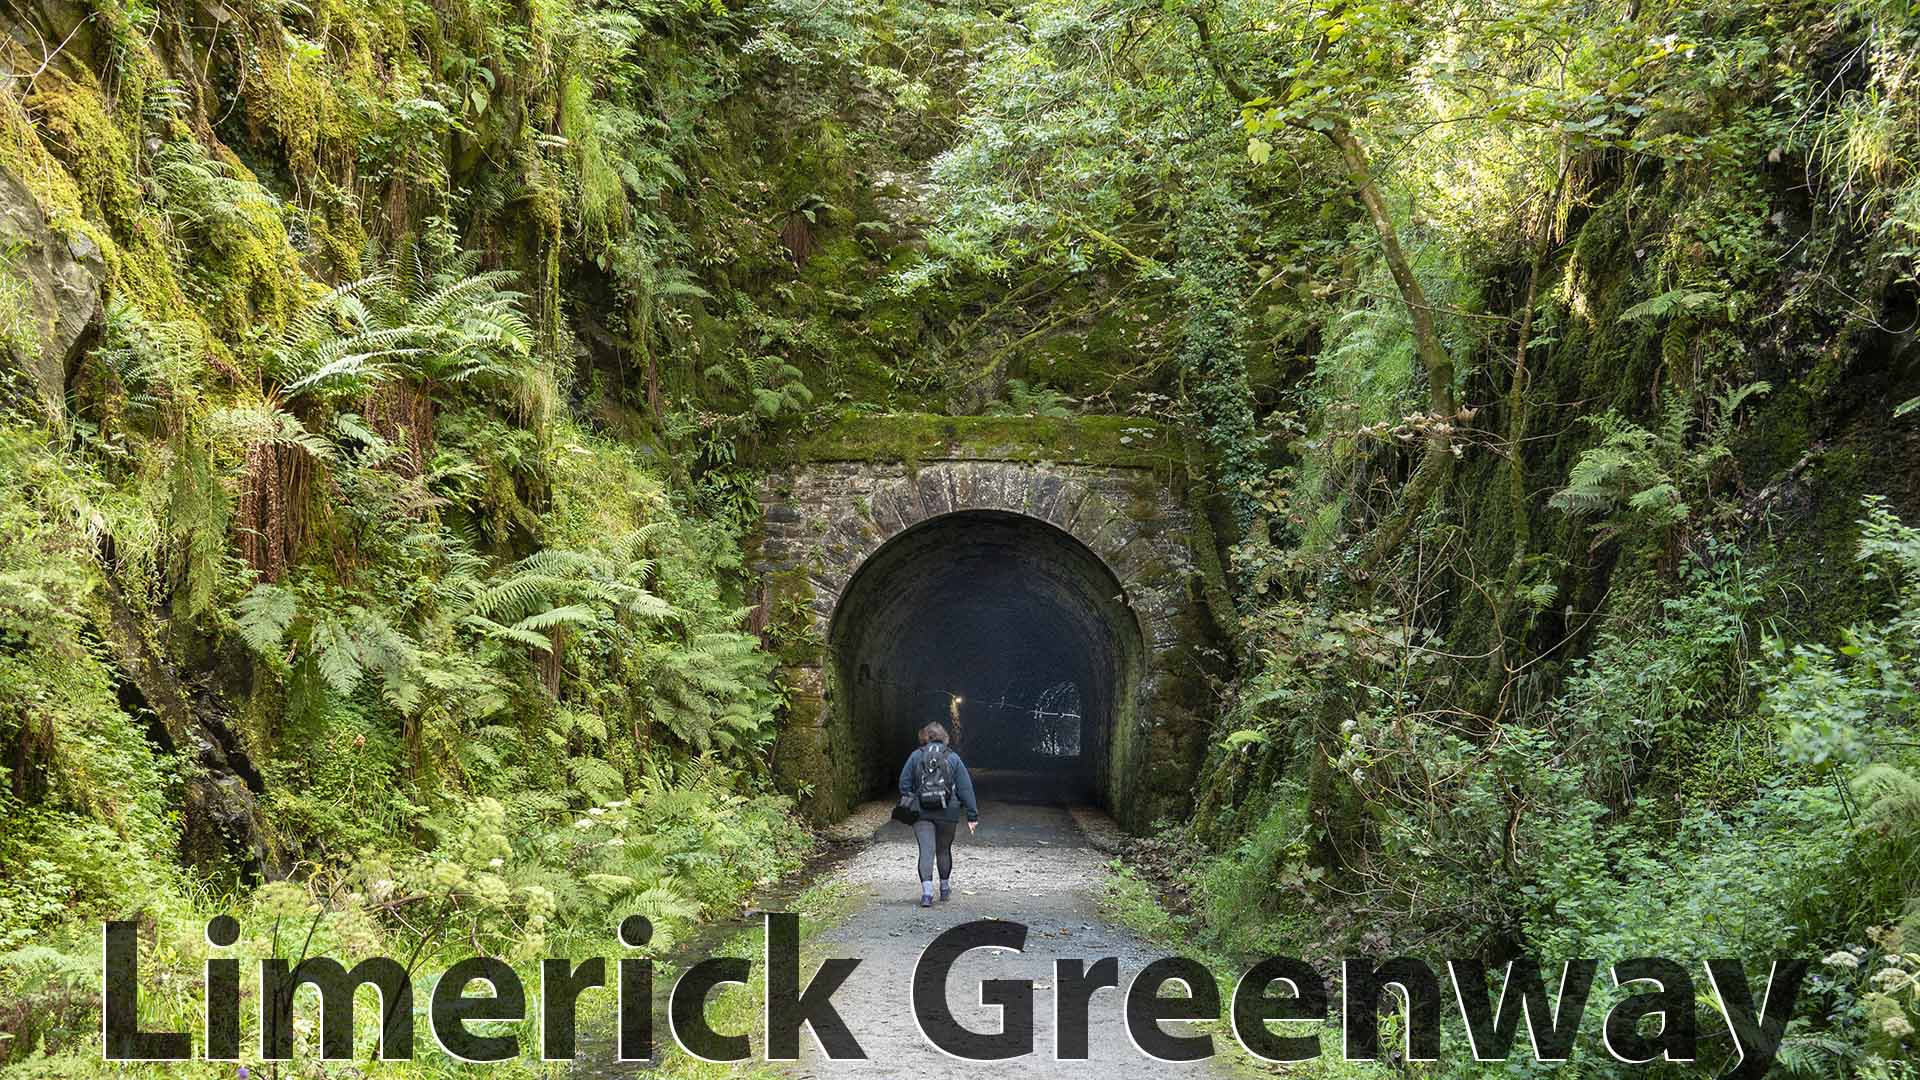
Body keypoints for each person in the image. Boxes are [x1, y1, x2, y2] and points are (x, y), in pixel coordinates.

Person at [899, 721, 978, 907]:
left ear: (924, 737)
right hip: (948, 811)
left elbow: (904, 783)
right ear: (945, 737)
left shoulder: (915, 756)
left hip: (921, 812)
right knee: (943, 850)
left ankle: (927, 894)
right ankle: (944, 888)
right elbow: (965, 788)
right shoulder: (953, 758)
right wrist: (972, 815)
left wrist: (912, 799)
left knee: (926, 851)